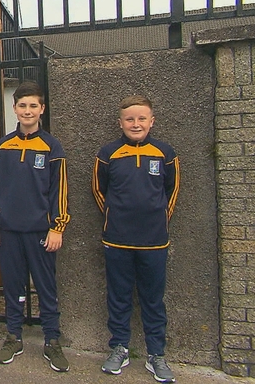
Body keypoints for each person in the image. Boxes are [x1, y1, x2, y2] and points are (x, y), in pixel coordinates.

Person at [0, 82, 70, 372]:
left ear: (41, 109)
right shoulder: (3, 145)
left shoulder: (51, 146)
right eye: (23, 105)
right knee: (14, 287)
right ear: (15, 109)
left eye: (33, 106)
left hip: (41, 233)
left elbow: (59, 191)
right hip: (8, 231)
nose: (28, 111)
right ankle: (13, 336)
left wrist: (57, 227)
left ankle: (52, 340)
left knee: (46, 288)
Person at [92, 95, 179, 383]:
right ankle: (119, 347)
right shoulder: (107, 153)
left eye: (142, 118)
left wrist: (158, 220)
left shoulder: (165, 153)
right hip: (117, 240)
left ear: (152, 121)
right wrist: (115, 217)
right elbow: (99, 191)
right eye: (130, 119)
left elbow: (172, 191)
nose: (136, 123)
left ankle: (156, 354)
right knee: (118, 297)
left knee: (153, 299)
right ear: (120, 123)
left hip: (154, 242)